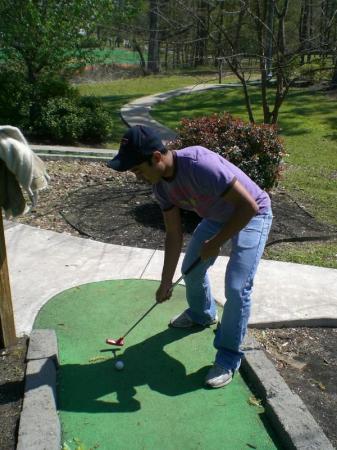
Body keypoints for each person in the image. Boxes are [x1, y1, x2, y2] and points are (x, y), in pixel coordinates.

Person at [107, 125, 273, 388]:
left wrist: (216, 243)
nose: (138, 177)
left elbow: (248, 206)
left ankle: (228, 357)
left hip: (253, 214)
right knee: (191, 271)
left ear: (157, 158)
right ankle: (202, 313)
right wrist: (165, 282)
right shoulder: (161, 188)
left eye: (139, 170)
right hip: (217, 217)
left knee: (238, 287)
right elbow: (173, 234)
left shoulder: (200, 165)